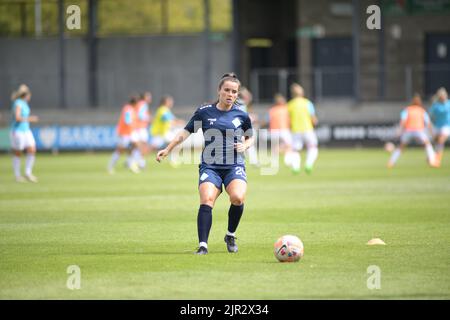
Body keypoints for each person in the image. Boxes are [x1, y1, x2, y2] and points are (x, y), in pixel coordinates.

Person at [156, 73, 254, 255]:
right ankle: (203, 246)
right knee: (207, 199)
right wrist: (168, 149)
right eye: (227, 90)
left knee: (238, 198)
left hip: (234, 165)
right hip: (211, 166)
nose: (230, 94)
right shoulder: (205, 111)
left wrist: (245, 144)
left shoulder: (242, 114)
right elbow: (185, 133)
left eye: (234, 92)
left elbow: (250, 136)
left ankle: (230, 235)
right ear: (219, 91)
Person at [387, 94, 438, 168]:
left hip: (409, 130)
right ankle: (432, 161)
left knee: (401, 146)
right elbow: (428, 123)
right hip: (418, 130)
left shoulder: (408, 110)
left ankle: (391, 162)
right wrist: (432, 133)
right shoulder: (421, 110)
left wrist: (399, 130)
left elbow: (403, 121)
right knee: (427, 144)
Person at [287, 83, 319, 174]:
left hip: (295, 130)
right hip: (307, 129)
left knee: (295, 150)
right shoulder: (307, 103)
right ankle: (308, 164)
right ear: (302, 93)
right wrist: (315, 122)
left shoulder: (290, 105)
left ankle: (296, 168)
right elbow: (313, 119)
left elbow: (288, 119)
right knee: (313, 148)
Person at [10, 84, 39, 182]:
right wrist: (30, 119)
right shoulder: (18, 103)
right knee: (18, 152)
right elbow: (17, 118)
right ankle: (17, 175)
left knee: (32, 149)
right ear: (26, 94)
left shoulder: (24, 103)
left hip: (26, 130)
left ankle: (28, 173)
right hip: (18, 131)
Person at [108, 95, 140, 174]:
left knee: (135, 145)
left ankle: (130, 163)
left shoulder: (131, 109)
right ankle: (110, 166)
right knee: (120, 150)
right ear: (135, 103)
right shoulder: (128, 109)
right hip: (124, 133)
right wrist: (133, 125)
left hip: (130, 132)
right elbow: (127, 120)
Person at [150, 95, 184, 165]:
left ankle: (173, 160)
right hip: (159, 133)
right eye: (170, 101)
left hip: (163, 133)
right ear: (166, 102)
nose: (172, 103)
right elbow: (168, 119)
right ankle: (172, 160)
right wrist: (178, 122)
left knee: (176, 142)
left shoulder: (165, 109)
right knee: (176, 141)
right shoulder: (162, 110)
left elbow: (172, 119)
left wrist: (178, 121)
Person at [268, 93, 293, 167]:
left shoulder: (272, 110)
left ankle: (274, 163)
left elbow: (268, 120)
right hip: (283, 130)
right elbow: (290, 120)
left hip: (274, 130)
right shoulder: (286, 109)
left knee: (275, 148)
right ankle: (287, 161)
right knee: (289, 145)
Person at [236, 86, 259, 166]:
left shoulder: (241, 103)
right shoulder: (240, 103)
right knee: (246, 144)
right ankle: (252, 161)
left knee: (247, 145)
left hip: (242, 127)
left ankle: (253, 161)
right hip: (241, 128)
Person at [428, 87, 450, 167]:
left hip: (447, 126)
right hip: (437, 126)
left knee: (441, 141)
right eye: (441, 95)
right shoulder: (436, 105)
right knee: (435, 142)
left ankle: (437, 160)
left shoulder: (449, 103)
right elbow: (430, 115)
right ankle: (432, 156)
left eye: (444, 95)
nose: (443, 96)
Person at [135, 91, 152, 169]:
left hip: (138, 127)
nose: (150, 98)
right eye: (148, 96)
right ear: (144, 97)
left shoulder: (139, 103)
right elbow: (140, 116)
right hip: (140, 127)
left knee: (139, 146)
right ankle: (139, 163)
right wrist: (149, 118)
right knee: (143, 146)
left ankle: (133, 162)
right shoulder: (143, 104)